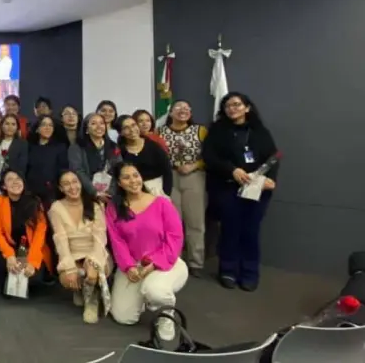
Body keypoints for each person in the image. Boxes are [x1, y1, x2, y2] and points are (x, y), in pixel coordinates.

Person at [202, 92, 279, 291]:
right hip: (227, 188)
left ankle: (249, 273)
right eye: (228, 106)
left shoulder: (260, 131)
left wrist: (271, 180)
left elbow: (273, 157)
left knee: (250, 232)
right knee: (230, 230)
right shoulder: (217, 131)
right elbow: (209, 157)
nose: (232, 109)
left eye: (236, 104)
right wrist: (232, 170)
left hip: (256, 190)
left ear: (247, 107)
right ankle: (228, 270)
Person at [107, 162, 186, 341]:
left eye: (135, 175)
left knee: (155, 290)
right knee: (123, 317)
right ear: (119, 183)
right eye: (126, 177)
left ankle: (167, 316)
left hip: (166, 262)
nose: (133, 180)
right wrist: (128, 267)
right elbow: (117, 242)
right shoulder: (114, 208)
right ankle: (142, 297)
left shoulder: (162, 203)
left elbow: (175, 238)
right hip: (134, 265)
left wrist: (153, 265)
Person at [49, 171, 110, 323]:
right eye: (67, 184)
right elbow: (60, 240)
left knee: (91, 271)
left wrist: (93, 260)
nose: (72, 187)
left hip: (96, 252)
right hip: (73, 254)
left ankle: (92, 300)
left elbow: (100, 238)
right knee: (68, 277)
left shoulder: (95, 205)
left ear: (81, 183)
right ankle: (81, 288)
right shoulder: (56, 208)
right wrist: (69, 267)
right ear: (61, 188)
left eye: (75, 181)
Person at [157, 99, 209, 278]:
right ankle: (175, 258)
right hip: (169, 178)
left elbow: (210, 155)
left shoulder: (200, 131)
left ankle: (196, 261)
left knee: (195, 221)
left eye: (187, 108)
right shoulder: (160, 132)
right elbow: (157, 155)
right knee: (173, 222)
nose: (183, 110)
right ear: (170, 113)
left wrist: (194, 165)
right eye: (178, 107)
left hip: (194, 176)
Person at [0, 170, 53, 289]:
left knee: (34, 278)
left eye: (18, 178)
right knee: (0, 267)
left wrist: (32, 262)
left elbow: (40, 235)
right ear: (4, 186)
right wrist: (9, 255)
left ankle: (18, 282)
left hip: (31, 248)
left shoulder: (35, 201)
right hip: (10, 247)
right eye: (10, 179)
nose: (15, 182)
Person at [117, 116, 173, 196]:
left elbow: (167, 171)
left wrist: (166, 193)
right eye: (126, 128)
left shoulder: (153, 146)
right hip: (132, 192)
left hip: (156, 190)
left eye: (133, 125)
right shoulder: (120, 151)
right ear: (121, 132)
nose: (132, 130)